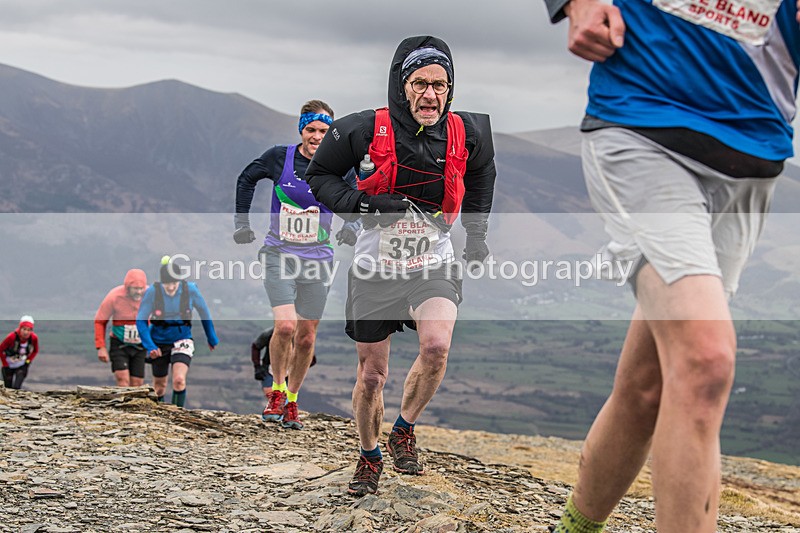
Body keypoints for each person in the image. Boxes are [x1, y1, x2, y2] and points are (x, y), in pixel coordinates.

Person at [545, 0, 799, 531]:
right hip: (643, 120)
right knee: (705, 358)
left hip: (752, 150)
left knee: (650, 382)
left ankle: (573, 527)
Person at [304, 36, 496, 495]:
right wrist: (365, 206)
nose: (430, 94)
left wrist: (477, 236)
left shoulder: (468, 131)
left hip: (433, 258)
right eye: (420, 83)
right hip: (375, 265)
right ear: (402, 85)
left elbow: (482, 176)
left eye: (440, 84)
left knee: (435, 347)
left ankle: (404, 429)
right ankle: (369, 456)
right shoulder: (362, 128)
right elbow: (319, 177)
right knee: (372, 375)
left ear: (450, 89)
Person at [234, 99, 357, 430]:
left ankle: (292, 398)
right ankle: (275, 390)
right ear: (301, 129)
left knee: (305, 337)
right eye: (311, 129)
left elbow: (357, 197)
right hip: (279, 254)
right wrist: (241, 223)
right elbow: (247, 178)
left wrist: (352, 225)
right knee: (285, 326)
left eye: (324, 130)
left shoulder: (341, 166)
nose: (317, 136)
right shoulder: (280, 157)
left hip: (318, 260)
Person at [136, 256, 218, 407]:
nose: (171, 287)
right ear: (162, 283)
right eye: (167, 284)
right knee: (159, 387)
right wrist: (150, 346)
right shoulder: (153, 292)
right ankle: (159, 415)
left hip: (182, 338)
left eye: (174, 283)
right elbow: (140, 321)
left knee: (179, 380)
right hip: (159, 340)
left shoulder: (190, 290)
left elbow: (204, 313)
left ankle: (177, 413)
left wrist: (211, 337)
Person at [94, 269, 148, 387]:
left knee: (137, 384)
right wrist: (101, 347)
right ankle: (122, 405)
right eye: (135, 289)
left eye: (141, 289)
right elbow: (100, 321)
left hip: (140, 345)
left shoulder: (151, 296)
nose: (139, 292)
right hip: (119, 344)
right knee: (122, 379)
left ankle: (134, 405)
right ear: (127, 288)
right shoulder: (114, 296)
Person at [251, 327, 317, 399]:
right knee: (272, 396)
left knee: (286, 397)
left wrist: (299, 369)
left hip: (291, 371)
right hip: (270, 368)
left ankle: (284, 407)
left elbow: (311, 358)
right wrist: (257, 366)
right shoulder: (270, 333)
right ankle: (276, 408)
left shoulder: (301, 336)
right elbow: (256, 346)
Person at [1, 315, 39, 390]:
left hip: (22, 364)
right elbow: (0, 349)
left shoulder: (34, 338)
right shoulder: (11, 337)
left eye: (29, 330)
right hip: (9, 364)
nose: (26, 332)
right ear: (20, 328)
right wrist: (5, 364)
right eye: (24, 329)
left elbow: (35, 350)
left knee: (16, 387)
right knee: (7, 388)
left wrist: (28, 361)